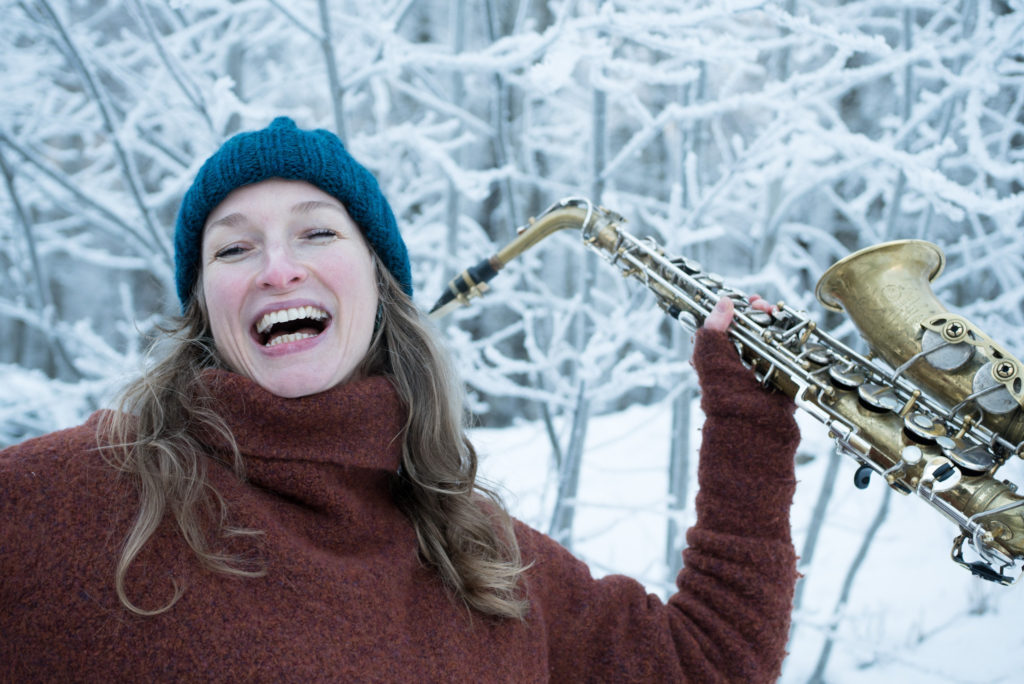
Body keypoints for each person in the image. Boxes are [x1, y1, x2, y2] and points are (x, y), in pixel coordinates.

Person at [0, 117, 800, 682]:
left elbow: (702, 665)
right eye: (235, 247)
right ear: (205, 306)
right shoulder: (76, 496)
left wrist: (748, 436)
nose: (277, 268)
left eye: (317, 233)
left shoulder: (473, 548)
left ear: (380, 289)